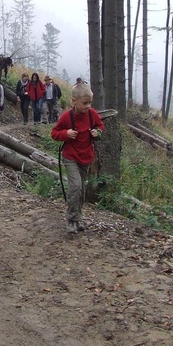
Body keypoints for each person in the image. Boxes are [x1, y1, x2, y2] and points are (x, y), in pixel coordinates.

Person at [51, 84, 104, 234]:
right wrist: (65, 133)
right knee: (75, 186)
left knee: (81, 188)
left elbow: (100, 126)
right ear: (74, 101)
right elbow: (54, 133)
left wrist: (97, 133)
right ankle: (71, 220)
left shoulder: (92, 114)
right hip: (70, 156)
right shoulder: (67, 117)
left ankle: (77, 218)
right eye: (85, 103)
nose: (88, 106)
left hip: (86, 157)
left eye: (90, 103)